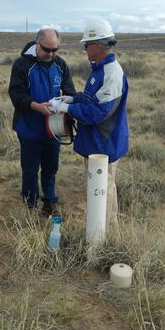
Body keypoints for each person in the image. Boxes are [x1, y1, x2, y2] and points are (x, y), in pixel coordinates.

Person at [53, 20, 129, 225]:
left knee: (100, 193)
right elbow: (92, 100)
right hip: (98, 143)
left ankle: (98, 241)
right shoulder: (100, 70)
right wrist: (73, 99)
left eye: (86, 45)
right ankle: (110, 232)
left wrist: (67, 109)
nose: (84, 49)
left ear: (97, 45)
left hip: (103, 145)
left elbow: (98, 113)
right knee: (107, 188)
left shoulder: (111, 73)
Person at [8, 28, 76, 215]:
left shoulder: (60, 65)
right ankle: (30, 205)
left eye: (55, 50)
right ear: (37, 44)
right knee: (30, 170)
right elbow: (16, 93)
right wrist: (36, 106)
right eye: (47, 50)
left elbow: (70, 92)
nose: (51, 54)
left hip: (53, 128)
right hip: (29, 128)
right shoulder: (22, 65)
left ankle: (49, 202)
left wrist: (63, 104)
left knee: (51, 168)